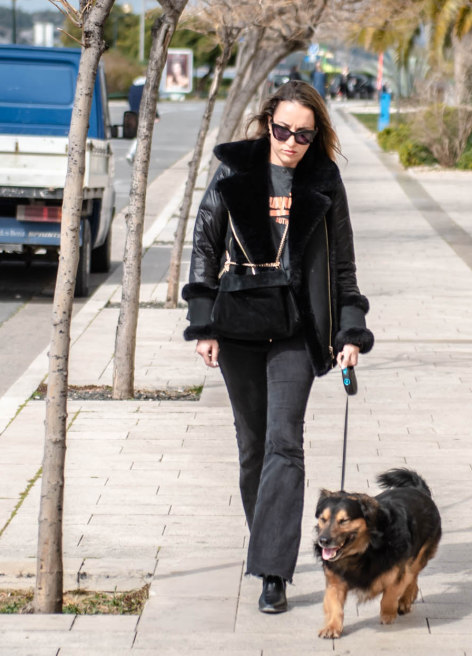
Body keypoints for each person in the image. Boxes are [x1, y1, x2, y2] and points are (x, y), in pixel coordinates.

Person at [182, 80, 374, 614]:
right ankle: (265, 538)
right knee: (253, 448)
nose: (291, 142)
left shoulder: (324, 181)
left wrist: (350, 332)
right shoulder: (234, 170)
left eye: (304, 135)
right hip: (239, 325)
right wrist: (203, 323)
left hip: (295, 328)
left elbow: (343, 264)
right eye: (283, 130)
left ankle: (273, 570)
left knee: (284, 442)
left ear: (317, 137)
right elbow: (204, 245)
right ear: (267, 122)